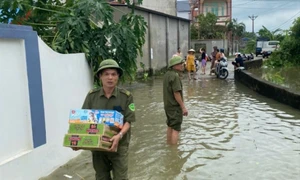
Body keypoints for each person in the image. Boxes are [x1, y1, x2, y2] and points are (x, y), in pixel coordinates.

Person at [78, 59, 136, 180]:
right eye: (106, 74)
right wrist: (79, 142)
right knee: (101, 177)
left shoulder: (126, 96)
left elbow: (128, 122)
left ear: (118, 77)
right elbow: (83, 120)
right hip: (98, 146)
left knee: (121, 177)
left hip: (119, 146)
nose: (110, 78)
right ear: (100, 76)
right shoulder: (91, 96)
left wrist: (119, 136)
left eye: (113, 74)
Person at [163, 56, 188, 145]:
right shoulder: (175, 76)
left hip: (168, 106)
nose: (182, 65)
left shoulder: (167, 75)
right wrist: (183, 107)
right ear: (175, 65)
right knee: (176, 129)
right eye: (180, 64)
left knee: (170, 125)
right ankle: (174, 151)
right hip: (174, 107)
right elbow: (176, 93)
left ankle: (169, 145)